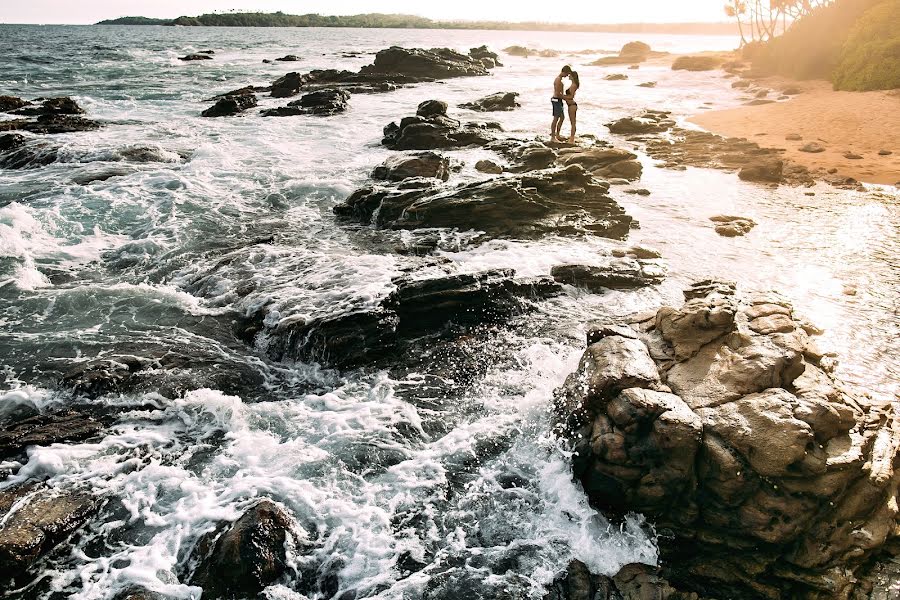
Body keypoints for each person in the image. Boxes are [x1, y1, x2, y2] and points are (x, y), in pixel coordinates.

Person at [551, 65, 572, 142]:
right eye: (567, 74)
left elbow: (560, 93)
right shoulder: (558, 80)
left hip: (559, 100)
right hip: (556, 100)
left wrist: (564, 98)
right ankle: (553, 137)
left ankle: (557, 134)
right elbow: (557, 93)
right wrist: (567, 98)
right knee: (556, 118)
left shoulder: (560, 80)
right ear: (564, 72)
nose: (567, 76)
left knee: (562, 117)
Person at [563, 70, 580, 144]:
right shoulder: (573, 84)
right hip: (571, 105)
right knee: (572, 123)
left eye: (570, 75)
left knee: (573, 123)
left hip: (572, 105)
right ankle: (571, 138)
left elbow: (571, 96)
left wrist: (562, 96)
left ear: (573, 76)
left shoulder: (573, 85)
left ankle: (572, 139)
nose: (568, 76)